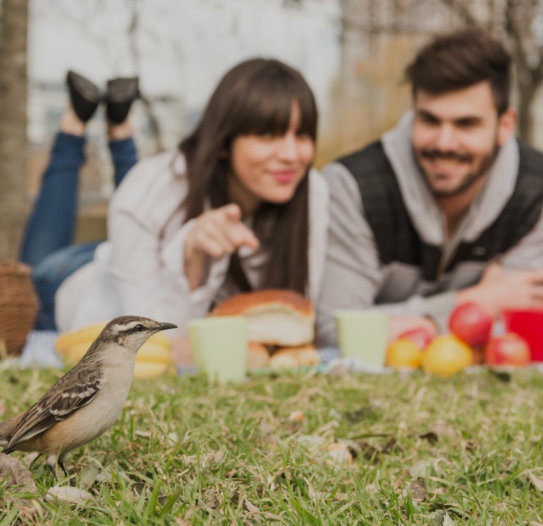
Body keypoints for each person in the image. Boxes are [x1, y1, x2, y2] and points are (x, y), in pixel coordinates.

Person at [26, 59, 328, 348]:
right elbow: (153, 347)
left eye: (301, 134)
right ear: (224, 140)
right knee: (31, 268)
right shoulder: (151, 187)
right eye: (267, 134)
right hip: (70, 280)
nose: (291, 154)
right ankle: (76, 123)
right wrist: (191, 256)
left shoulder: (310, 189)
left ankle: (119, 124)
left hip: (131, 254)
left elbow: (300, 319)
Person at [317, 29, 543, 346]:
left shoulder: (538, 192)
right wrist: (474, 302)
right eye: (429, 120)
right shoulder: (352, 186)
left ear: (505, 125)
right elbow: (335, 330)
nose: (444, 143)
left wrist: (393, 322)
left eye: (466, 124)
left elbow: (515, 329)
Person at [20, 71, 140, 330]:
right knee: (28, 287)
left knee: (30, 290)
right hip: (91, 270)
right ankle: (83, 124)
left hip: (83, 272)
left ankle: (115, 128)